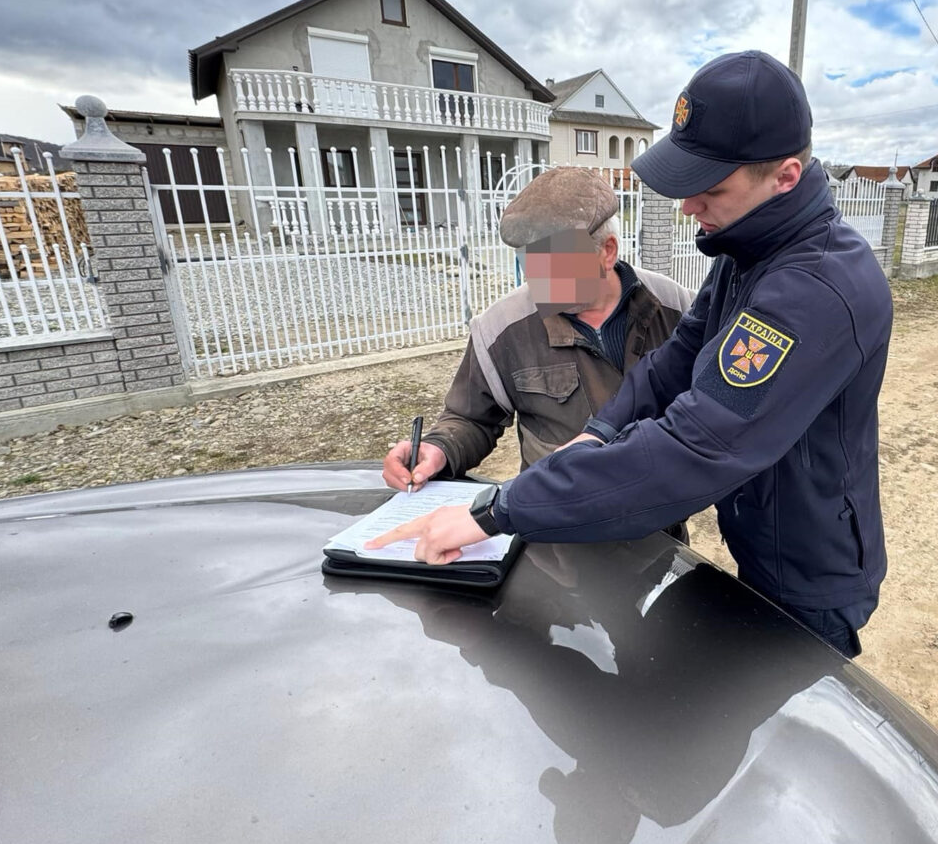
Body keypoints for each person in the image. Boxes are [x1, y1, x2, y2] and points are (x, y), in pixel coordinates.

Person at [371, 50, 894, 659]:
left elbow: (694, 445)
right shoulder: (745, 258)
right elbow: (673, 364)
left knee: (787, 719)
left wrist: (496, 511)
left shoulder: (813, 291)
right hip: (756, 538)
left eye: (711, 188)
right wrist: (597, 434)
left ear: (785, 177)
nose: (688, 206)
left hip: (810, 567)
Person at [381, 167, 693, 508]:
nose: (539, 279)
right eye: (528, 261)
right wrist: (438, 448)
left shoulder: (675, 307)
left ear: (607, 251)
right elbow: (470, 417)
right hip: (557, 530)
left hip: (660, 525)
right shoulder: (500, 328)